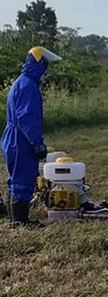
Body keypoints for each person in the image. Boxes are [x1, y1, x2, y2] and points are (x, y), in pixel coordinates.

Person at [2, 46, 61, 226]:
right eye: (45, 66)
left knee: (16, 177)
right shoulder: (28, 87)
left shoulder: (21, 81)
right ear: (39, 64)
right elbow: (28, 118)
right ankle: (20, 221)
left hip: (13, 136)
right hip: (21, 139)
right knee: (24, 178)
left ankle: (15, 218)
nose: (46, 71)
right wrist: (37, 143)